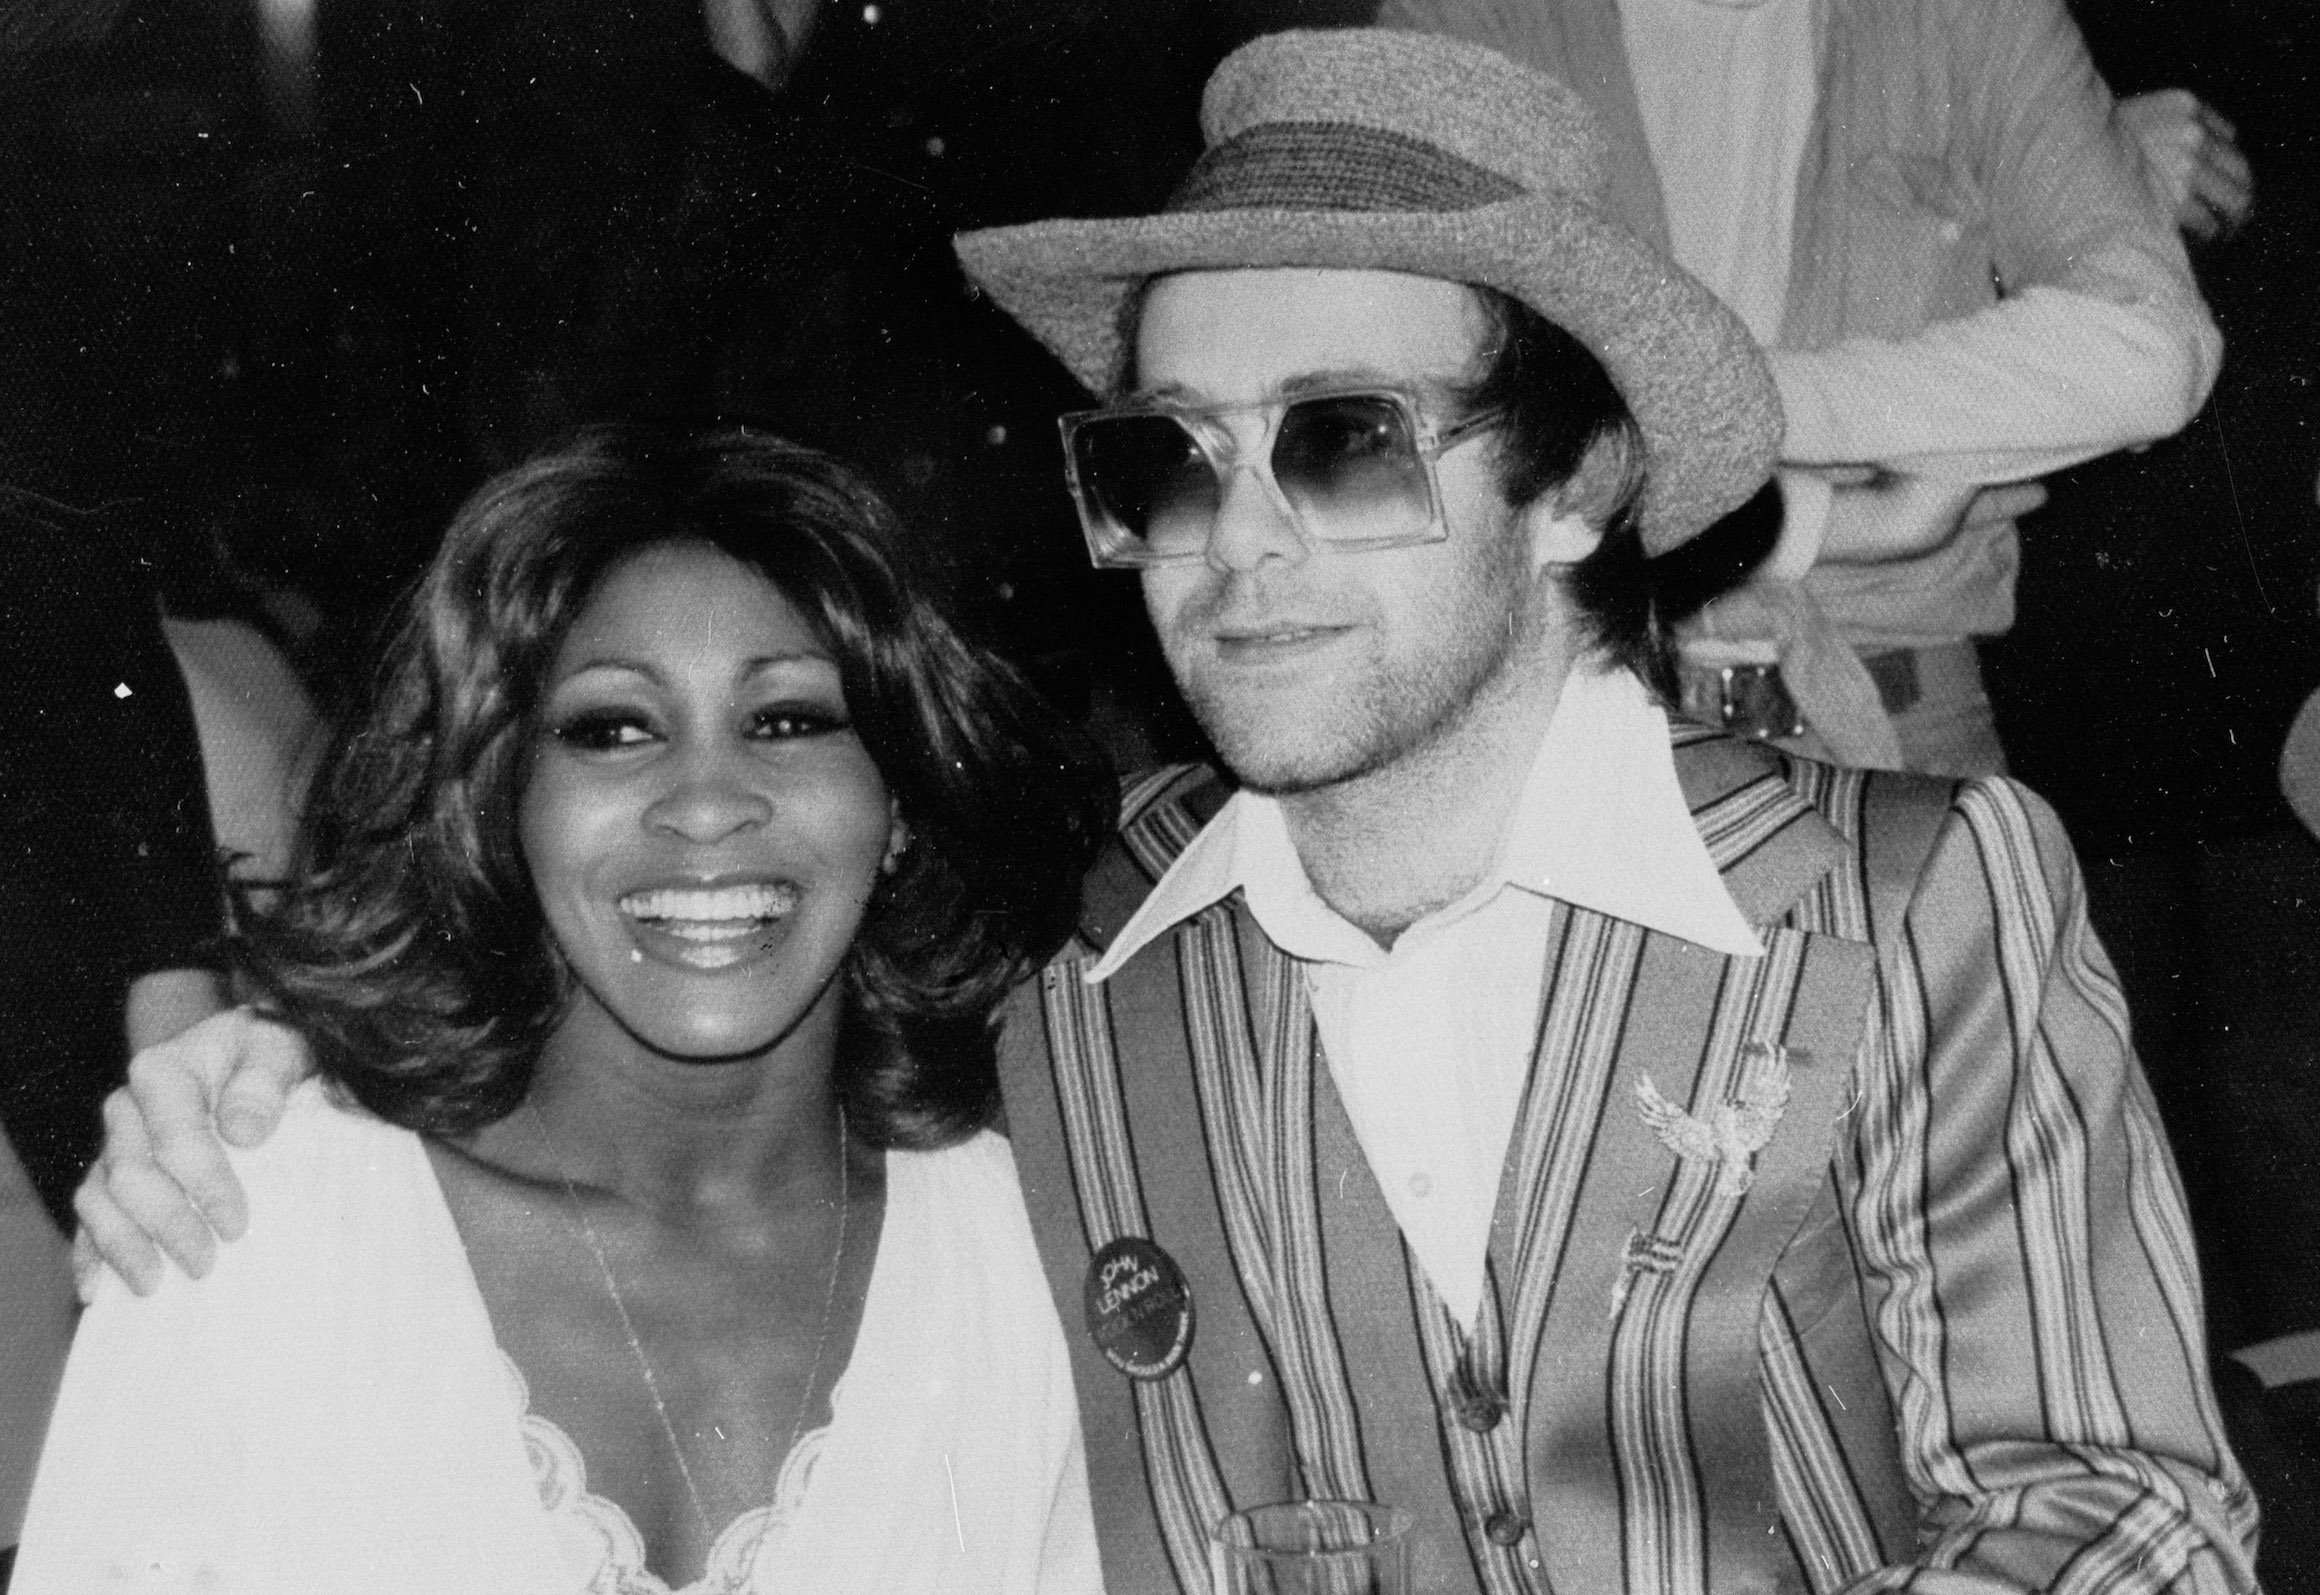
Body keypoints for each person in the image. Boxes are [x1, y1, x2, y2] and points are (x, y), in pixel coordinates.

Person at [76, 30, 2257, 1595]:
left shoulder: (1904, 893)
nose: (1235, 538)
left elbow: (2125, 1513)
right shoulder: (1065, 970)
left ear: (1574, 479)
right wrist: (261, 1093)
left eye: (1341, 440)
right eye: (1163, 459)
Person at [21, 428, 1112, 1593]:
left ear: (897, 801)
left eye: (788, 718)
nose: (705, 804)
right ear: (504, 799)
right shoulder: (244, 1218)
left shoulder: (1022, 1253)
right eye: (611, 727)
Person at [1374, 0, 2223, 777]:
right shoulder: (1474, 22)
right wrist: (1834, 520)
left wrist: (1734, 406)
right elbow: (1419, 428)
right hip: (1570, 725)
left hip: (1898, 730)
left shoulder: (1969, 17)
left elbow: (2151, 350)